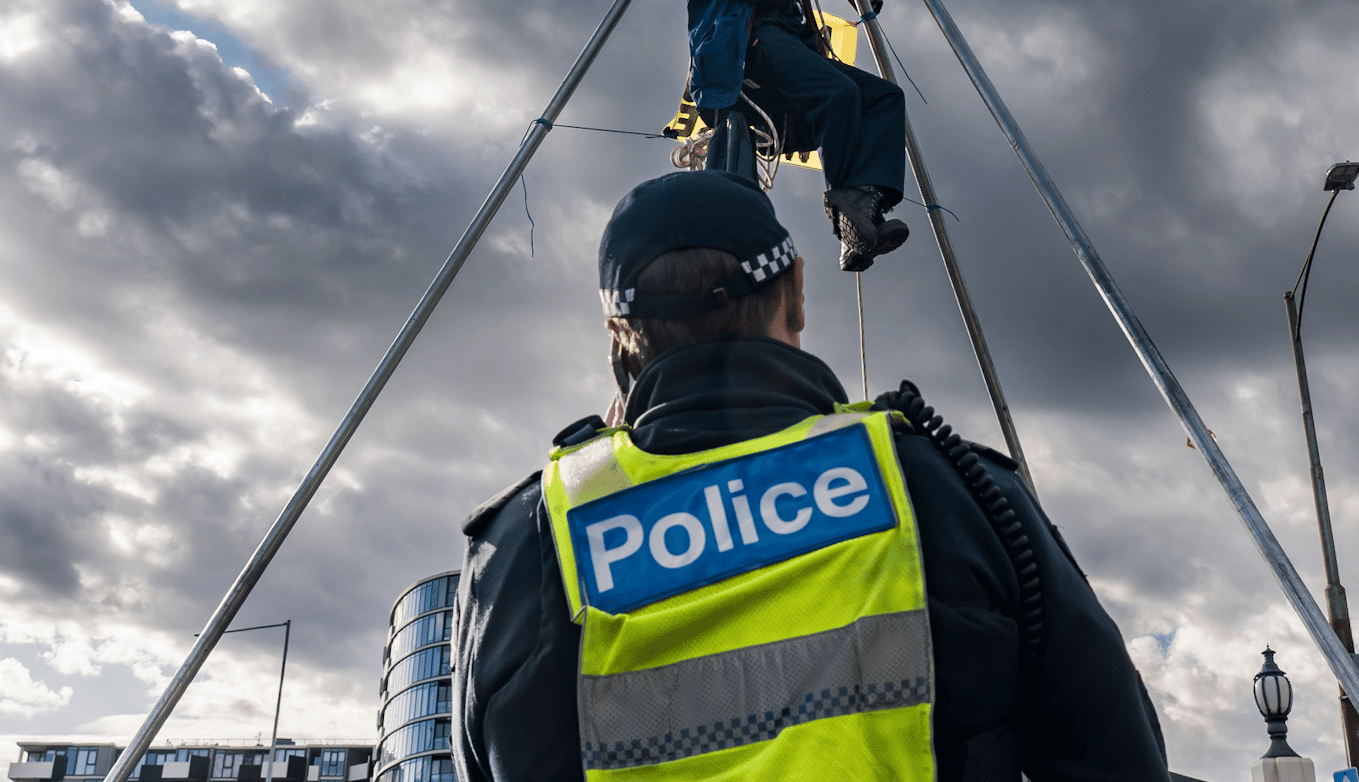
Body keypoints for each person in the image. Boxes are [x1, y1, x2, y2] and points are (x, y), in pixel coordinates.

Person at [454, 171, 1172, 782]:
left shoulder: (523, 547)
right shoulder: (945, 487)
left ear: (620, 341)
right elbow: (1116, 756)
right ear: (796, 290)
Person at [685, 0, 908, 272]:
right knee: (838, 91)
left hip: (789, 45)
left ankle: (863, 209)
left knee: (884, 98)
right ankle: (845, 209)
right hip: (752, 46)